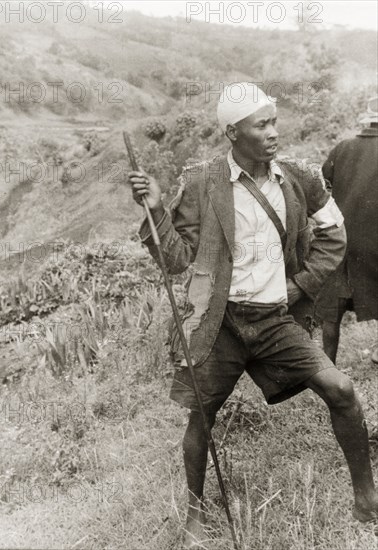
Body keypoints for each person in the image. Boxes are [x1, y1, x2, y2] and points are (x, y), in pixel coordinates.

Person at [129, 83, 378, 548]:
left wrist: (300, 285)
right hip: (219, 322)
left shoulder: (298, 177)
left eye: (274, 122)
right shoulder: (203, 183)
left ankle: (366, 498)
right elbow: (178, 258)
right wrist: (157, 210)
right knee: (201, 417)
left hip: (274, 322)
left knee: (341, 389)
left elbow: (334, 235)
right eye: (261, 125)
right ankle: (194, 517)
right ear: (232, 132)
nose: (273, 133)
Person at [315, 96, 378, 364]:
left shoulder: (342, 148)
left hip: (341, 239)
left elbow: (321, 185)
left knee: (333, 307)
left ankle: (327, 366)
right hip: (374, 240)